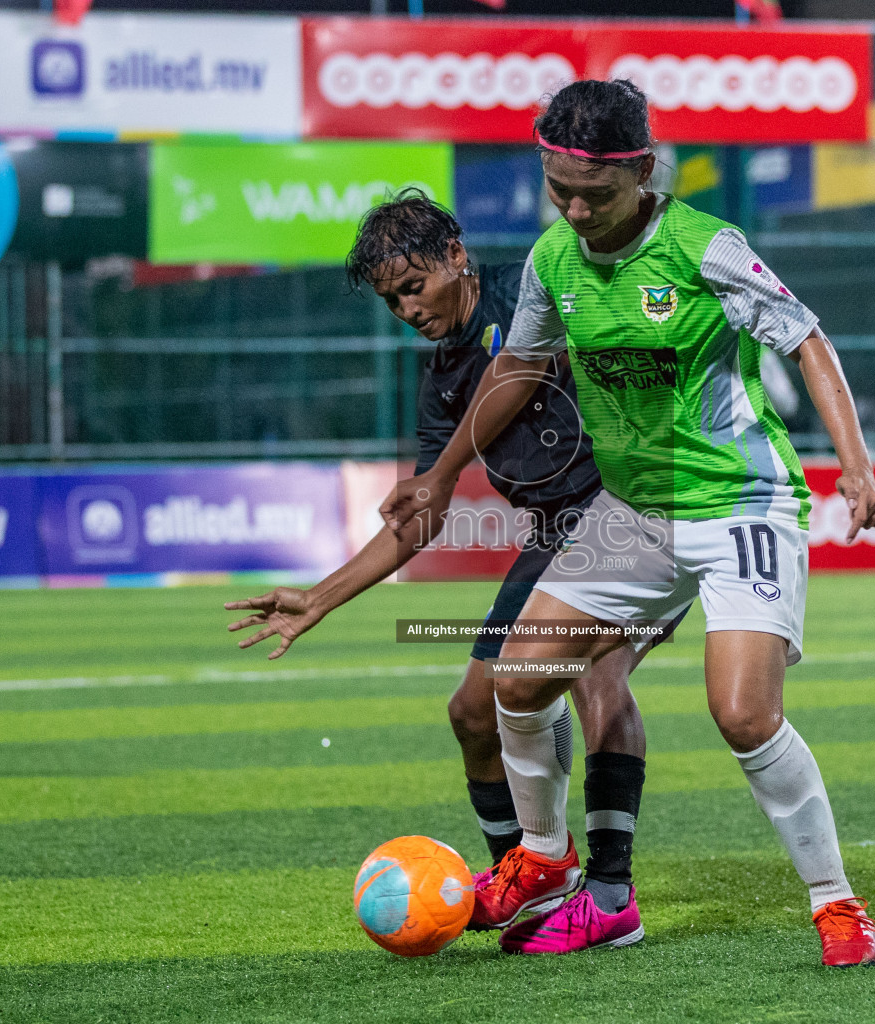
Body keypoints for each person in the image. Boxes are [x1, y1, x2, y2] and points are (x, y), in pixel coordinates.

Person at [381, 80, 875, 966]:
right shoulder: (552, 261)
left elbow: (805, 340)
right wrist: (444, 472)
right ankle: (544, 862)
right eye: (559, 189)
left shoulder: (707, 249)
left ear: (643, 172)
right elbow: (520, 368)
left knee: (742, 715)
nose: (576, 209)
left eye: (596, 193)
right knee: (518, 680)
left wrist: (855, 469)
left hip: (739, 502)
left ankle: (838, 904)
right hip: (633, 514)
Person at [225, 190, 685, 948]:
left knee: (598, 674)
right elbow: (421, 513)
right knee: (472, 712)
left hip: (638, 512)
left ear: (456, 257)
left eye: (414, 286)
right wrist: (321, 597)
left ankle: (608, 894)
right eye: (391, 299)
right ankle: (528, 881)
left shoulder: (535, 288)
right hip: (553, 536)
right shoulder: (442, 381)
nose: (407, 308)